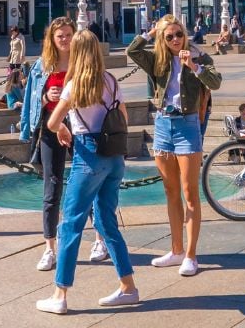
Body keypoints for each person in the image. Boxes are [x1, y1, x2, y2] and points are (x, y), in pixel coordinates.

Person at [35, 30, 140, 315]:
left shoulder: (75, 86)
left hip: (88, 156)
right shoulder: (111, 81)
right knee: (106, 222)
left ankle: (60, 294)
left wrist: (67, 129)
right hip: (114, 156)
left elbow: (53, 122)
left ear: (78, 54)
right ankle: (128, 287)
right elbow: (124, 117)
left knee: (70, 224)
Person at [127, 16, 222, 278]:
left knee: (190, 192)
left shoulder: (198, 56)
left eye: (178, 34)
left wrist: (193, 65)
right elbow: (132, 51)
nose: (175, 39)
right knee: (170, 191)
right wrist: (150, 32)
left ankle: (191, 255)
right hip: (162, 127)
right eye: (168, 36)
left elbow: (216, 82)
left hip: (187, 127)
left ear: (185, 33)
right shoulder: (157, 59)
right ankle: (176, 250)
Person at [20, 17, 110, 270]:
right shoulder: (42, 66)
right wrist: (46, 96)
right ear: (51, 39)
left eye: (68, 35)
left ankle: (100, 240)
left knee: (89, 185)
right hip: (52, 128)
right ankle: (50, 248)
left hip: (80, 129)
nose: (64, 40)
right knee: (52, 186)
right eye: (59, 36)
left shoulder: (82, 65)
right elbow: (34, 99)